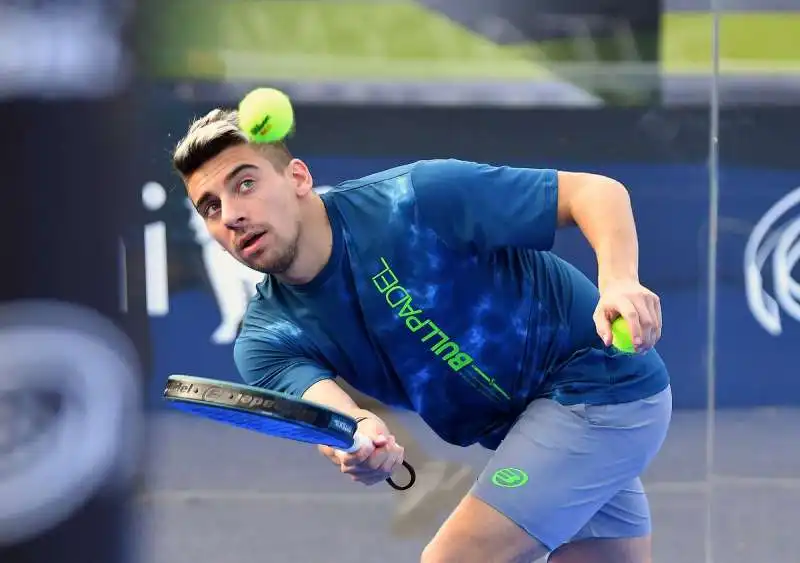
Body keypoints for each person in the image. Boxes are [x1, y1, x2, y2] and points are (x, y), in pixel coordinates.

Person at [172, 108, 672, 563]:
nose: (231, 214)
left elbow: (594, 192)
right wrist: (361, 442)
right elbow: (337, 417)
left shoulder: (414, 199)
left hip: (599, 383)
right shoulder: (266, 338)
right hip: (524, 431)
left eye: (245, 184)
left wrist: (620, 281)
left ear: (298, 177)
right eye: (210, 207)